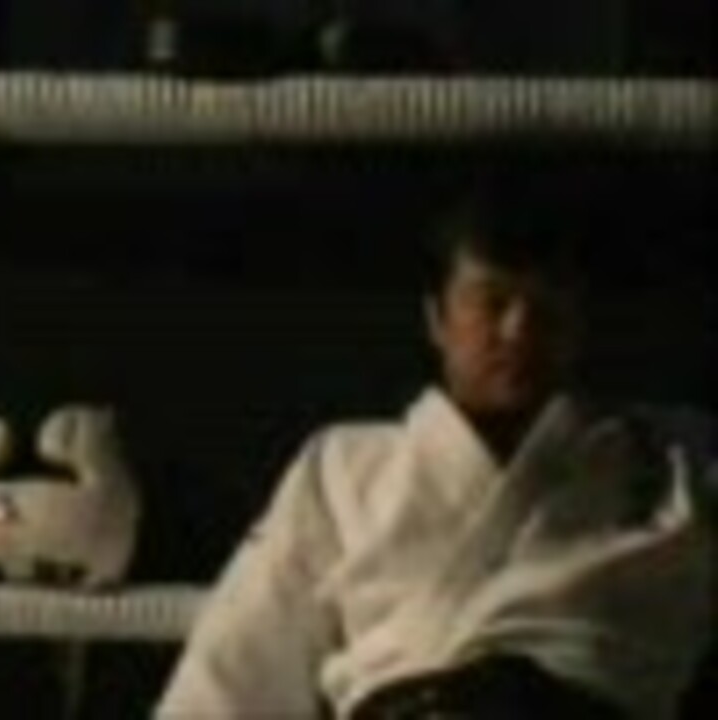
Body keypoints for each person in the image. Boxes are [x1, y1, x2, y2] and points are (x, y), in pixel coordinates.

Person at [154, 175, 715, 719]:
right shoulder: (344, 467)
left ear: (578, 325)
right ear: (437, 319)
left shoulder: (672, 459)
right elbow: (233, 679)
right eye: (493, 301)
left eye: (547, 308)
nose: (518, 330)